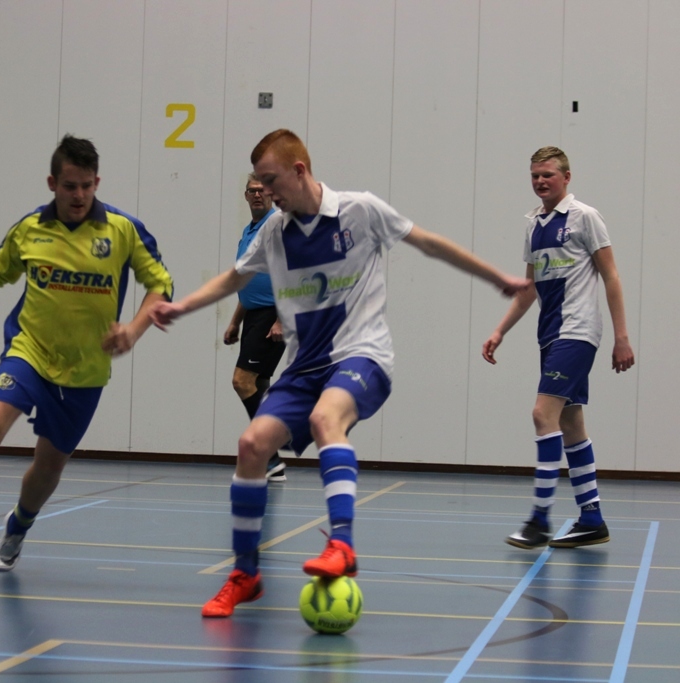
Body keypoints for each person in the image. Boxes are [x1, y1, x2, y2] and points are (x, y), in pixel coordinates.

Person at [151, 129, 529, 618]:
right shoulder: (274, 232)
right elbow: (235, 277)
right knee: (251, 446)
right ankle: (245, 575)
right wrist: (182, 306)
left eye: (270, 180)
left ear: (299, 170)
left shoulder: (360, 211)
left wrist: (498, 278)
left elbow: (430, 244)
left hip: (361, 354)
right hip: (304, 366)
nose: (264, 190)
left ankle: (343, 545)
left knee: (325, 419)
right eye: (257, 182)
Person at [0, 134, 174, 568]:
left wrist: (134, 330)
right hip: (29, 351)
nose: (79, 195)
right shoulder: (31, 228)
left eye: (86, 185)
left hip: (85, 369)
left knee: (48, 465)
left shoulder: (123, 230)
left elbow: (161, 284)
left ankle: (18, 526)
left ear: (97, 182)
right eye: (70, 186)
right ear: (52, 183)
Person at [484, 146, 635, 550]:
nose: (540, 181)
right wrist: (500, 331)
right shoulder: (534, 225)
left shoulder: (585, 217)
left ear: (566, 177)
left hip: (578, 331)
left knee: (542, 414)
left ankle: (539, 520)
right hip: (550, 335)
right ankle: (592, 519)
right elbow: (528, 288)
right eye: (534, 175)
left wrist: (621, 336)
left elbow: (611, 276)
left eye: (547, 175)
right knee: (571, 424)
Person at [224, 175, 288, 482]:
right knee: (258, 385)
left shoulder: (277, 226)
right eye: (253, 190)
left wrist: (281, 319)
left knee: (241, 381)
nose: (258, 195)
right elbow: (247, 278)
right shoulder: (248, 232)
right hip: (253, 315)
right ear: (246, 196)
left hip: (273, 314)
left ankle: (270, 457)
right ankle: (271, 460)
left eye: (263, 190)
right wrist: (235, 321)